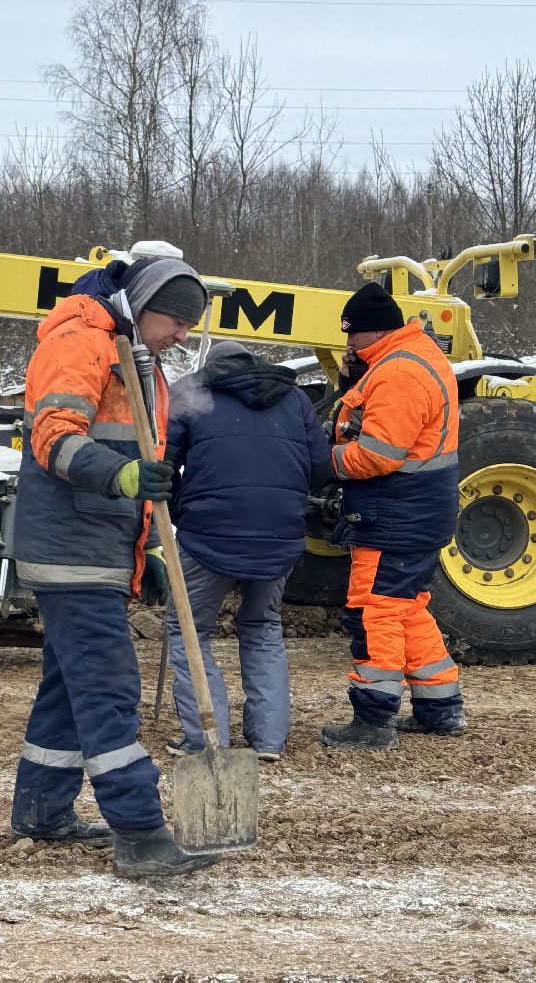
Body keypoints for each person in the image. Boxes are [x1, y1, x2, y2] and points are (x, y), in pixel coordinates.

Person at [10, 243, 216, 879]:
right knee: (107, 689)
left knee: (69, 691)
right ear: (148, 305)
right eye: (177, 320)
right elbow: (55, 439)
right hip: (72, 551)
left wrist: (149, 547)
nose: (183, 334)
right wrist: (126, 479)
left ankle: (43, 811)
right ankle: (140, 832)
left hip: (98, 548)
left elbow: (140, 462)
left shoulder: (138, 356)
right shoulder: (81, 342)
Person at [160, 341, 330, 763]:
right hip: (280, 535)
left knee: (189, 630)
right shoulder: (293, 398)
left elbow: (162, 463)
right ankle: (269, 741)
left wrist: (184, 507)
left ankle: (206, 740)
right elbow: (322, 468)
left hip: (208, 534)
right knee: (262, 626)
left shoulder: (191, 392)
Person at [320, 282, 466, 749]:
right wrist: (349, 385)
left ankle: (373, 719)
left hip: (396, 511)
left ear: (375, 331)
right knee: (407, 606)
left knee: (375, 611)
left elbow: (378, 455)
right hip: (419, 510)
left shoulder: (399, 371)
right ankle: (440, 709)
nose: (348, 345)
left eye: (353, 337)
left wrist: (326, 463)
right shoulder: (406, 358)